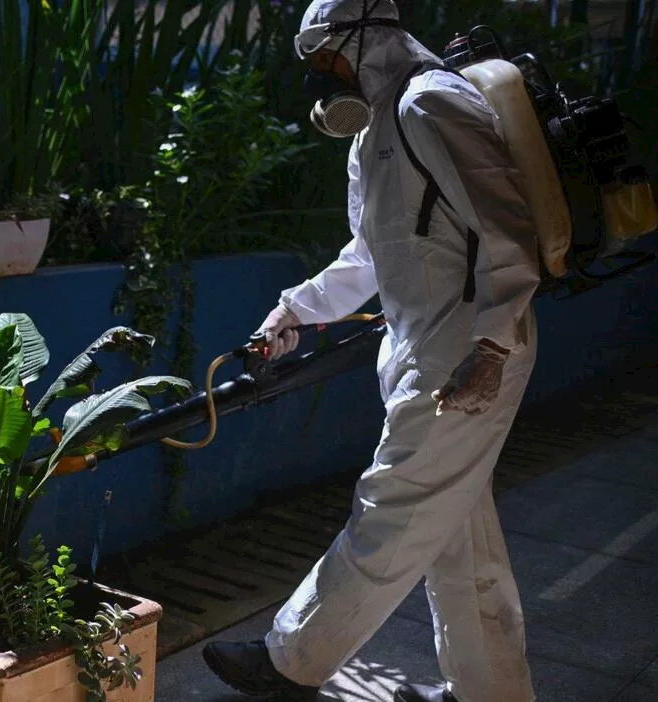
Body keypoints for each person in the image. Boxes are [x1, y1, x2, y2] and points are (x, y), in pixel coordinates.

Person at [200, 1, 544, 701]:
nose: (322, 74)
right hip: (423, 347)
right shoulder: (376, 131)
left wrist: (492, 345)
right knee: (455, 534)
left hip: (469, 351)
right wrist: (294, 309)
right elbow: (369, 256)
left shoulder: (431, 104)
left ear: (365, 41)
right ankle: (491, 692)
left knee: (392, 509)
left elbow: (506, 225)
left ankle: (291, 661)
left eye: (325, 56)